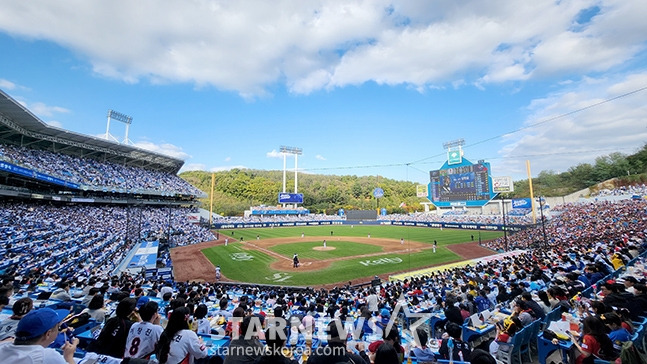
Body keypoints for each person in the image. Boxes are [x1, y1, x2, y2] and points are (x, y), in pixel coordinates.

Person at [0, 308, 79, 364]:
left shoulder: (3, 345)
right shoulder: (46, 356)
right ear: (48, 334)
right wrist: (69, 356)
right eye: (57, 328)